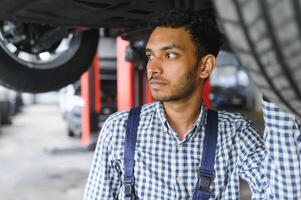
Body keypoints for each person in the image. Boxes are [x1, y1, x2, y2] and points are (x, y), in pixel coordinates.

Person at [84, 10, 301, 199]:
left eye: (169, 55)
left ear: (205, 66)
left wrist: (277, 85)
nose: (153, 68)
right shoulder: (119, 130)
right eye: (150, 56)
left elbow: (284, 195)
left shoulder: (235, 134)